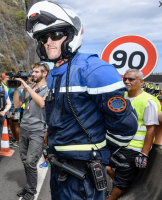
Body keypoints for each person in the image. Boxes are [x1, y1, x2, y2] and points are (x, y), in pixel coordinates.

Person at [26, 2, 138, 199]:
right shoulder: (53, 75)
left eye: (56, 35)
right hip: (59, 168)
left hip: (84, 172)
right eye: (44, 37)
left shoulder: (95, 70)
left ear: (71, 35)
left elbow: (125, 125)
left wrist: (103, 153)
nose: (48, 41)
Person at [106, 69, 160, 200]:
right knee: (106, 167)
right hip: (115, 144)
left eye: (131, 79)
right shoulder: (121, 97)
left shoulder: (148, 101)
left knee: (122, 179)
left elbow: (151, 130)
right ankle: (122, 190)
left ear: (141, 82)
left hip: (134, 148)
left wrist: (143, 154)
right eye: (125, 79)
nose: (127, 81)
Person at [13, 62, 49, 199]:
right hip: (24, 128)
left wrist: (27, 87)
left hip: (37, 130)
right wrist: (16, 89)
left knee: (30, 162)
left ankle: (31, 191)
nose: (32, 74)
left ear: (44, 73)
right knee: (24, 159)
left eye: (36, 72)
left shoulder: (48, 88)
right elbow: (17, 104)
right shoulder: (31, 87)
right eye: (32, 71)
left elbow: (42, 103)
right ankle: (28, 186)